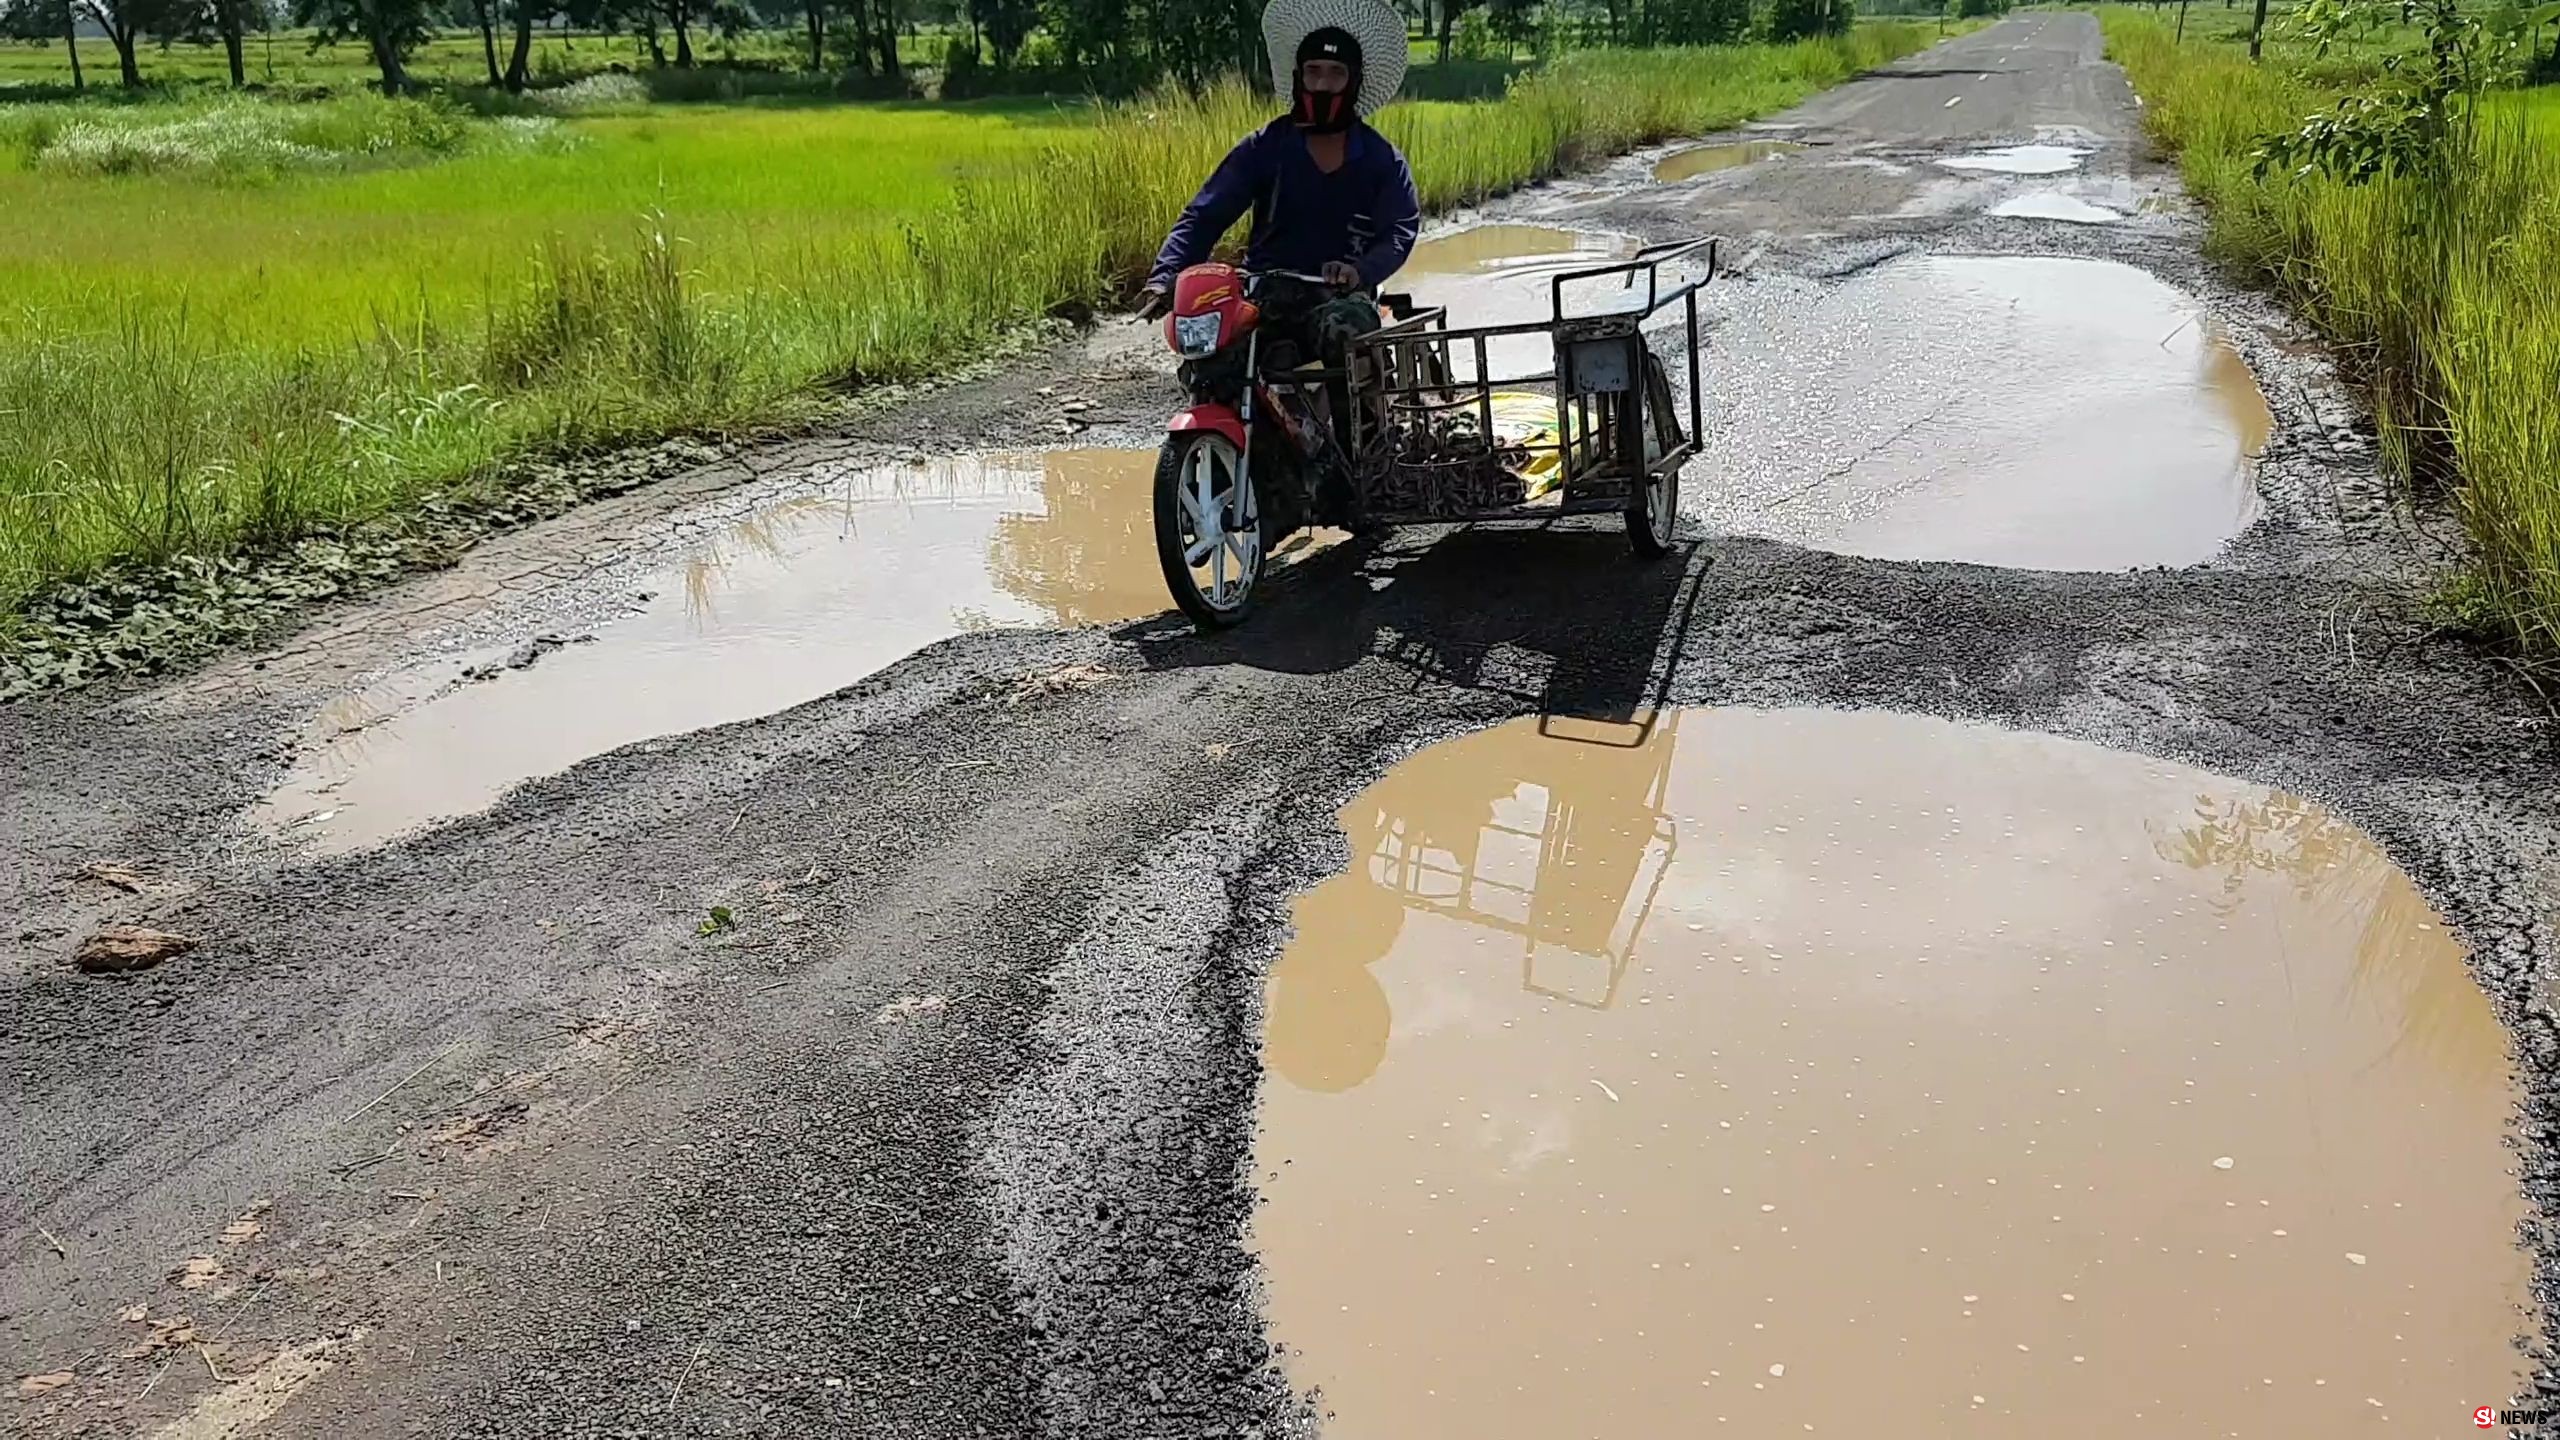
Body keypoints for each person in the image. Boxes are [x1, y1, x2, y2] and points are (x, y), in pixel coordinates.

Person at [1135, 0, 1421, 380]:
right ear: (1298, 76)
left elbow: (1399, 231)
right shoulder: (1266, 147)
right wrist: (1164, 277)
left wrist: (1360, 270)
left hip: (1339, 297)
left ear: (1354, 80)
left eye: (1335, 74)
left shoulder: (1379, 159)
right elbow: (1205, 214)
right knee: (1209, 363)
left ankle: (1359, 431)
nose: (1321, 84)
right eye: (1313, 72)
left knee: (1345, 330)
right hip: (1265, 294)